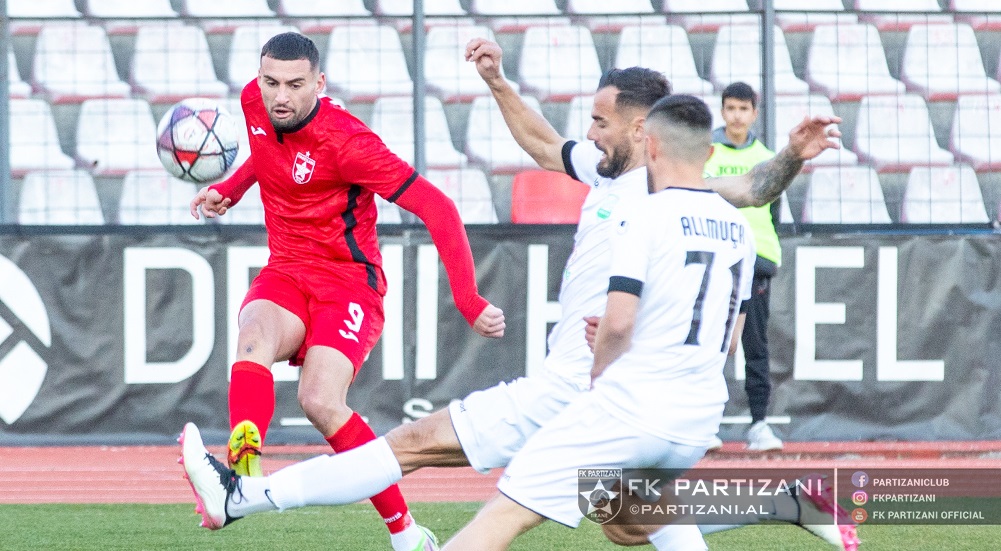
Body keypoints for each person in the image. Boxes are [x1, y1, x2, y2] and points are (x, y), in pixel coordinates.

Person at [179, 39, 856, 549]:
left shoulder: (665, 197)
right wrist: (498, 83)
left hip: (585, 390)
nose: (587, 134)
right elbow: (541, 145)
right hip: (650, 399)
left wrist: (792, 156)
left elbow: (755, 188)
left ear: (640, 129)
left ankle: (243, 495)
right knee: (631, 520)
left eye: (599, 121)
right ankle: (788, 501)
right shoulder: (635, 178)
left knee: (426, 452)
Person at [184, 32, 505, 551]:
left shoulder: (348, 143)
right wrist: (230, 189)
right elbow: (269, 157)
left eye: (294, 84)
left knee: (320, 401)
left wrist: (469, 300)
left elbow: (438, 208)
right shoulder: (255, 102)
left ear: (319, 82)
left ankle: (405, 533)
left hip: (348, 282)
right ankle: (242, 468)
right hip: (287, 268)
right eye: (270, 82)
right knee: (253, 339)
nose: (279, 95)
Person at [704, 82, 784, 452]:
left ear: (754, 113)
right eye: (730, 108)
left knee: (755, 344)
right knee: (705, 340)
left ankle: (759, 425)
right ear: (722, 111)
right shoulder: (706, 155)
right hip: (715, 256)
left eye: (743, 109)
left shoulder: (767, 159)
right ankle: (704, 424)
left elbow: (773, 213)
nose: (736, 115)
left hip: (757, 259)